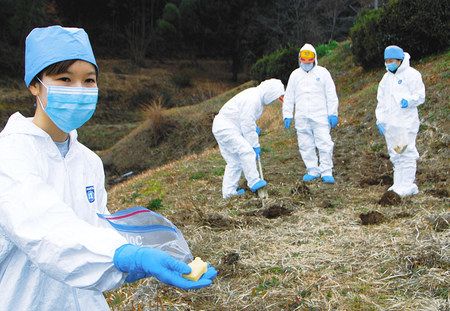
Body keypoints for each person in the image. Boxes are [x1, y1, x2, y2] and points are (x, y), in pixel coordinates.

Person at [0, 26, 216, 311]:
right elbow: (46, 229)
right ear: (34, 84)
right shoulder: (11, 152)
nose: (79, 90)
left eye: (89, 80)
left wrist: (144, 255)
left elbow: (95, 228)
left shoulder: (88, 160)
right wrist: (124, 256)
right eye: (64, 79)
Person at [212, 79, 285, 198]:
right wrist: (254, 144)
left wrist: (254, 127)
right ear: (269, 93)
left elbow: (245, 117)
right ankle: (254, 181)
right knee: (247, 151)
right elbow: (247, 123)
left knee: (234, 162)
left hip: (224, 126)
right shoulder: (254, 99)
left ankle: (229, 193)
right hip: (226, 128)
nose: (272, 102)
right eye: (273, 98)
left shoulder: (256, 97)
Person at [282, 43, 339, 184]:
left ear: (314, 58)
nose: (307, 63)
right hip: (302, 117)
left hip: (320, 116)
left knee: (324, 143)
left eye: (309, 59)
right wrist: (287, 114)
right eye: (304, 60)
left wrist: (333, 113)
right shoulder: (295, 75)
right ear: (300, 59)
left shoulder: (323, 73)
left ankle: (326, 171)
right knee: (305, 144)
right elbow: (289, 96)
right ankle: (312, 170)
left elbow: (331, 94)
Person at [375, 45, 425, 197]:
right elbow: (381, 102)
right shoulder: (386, 79)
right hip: (391, 125)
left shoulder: (412, 74)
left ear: (400, 60)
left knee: (406, 152)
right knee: (396, 153)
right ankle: (399, 184)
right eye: (386, 61)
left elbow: (420, 95)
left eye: (391, 60)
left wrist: (408, 101)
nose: (388, 63)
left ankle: (408, 184)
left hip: (406, 123)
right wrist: (380, 120)